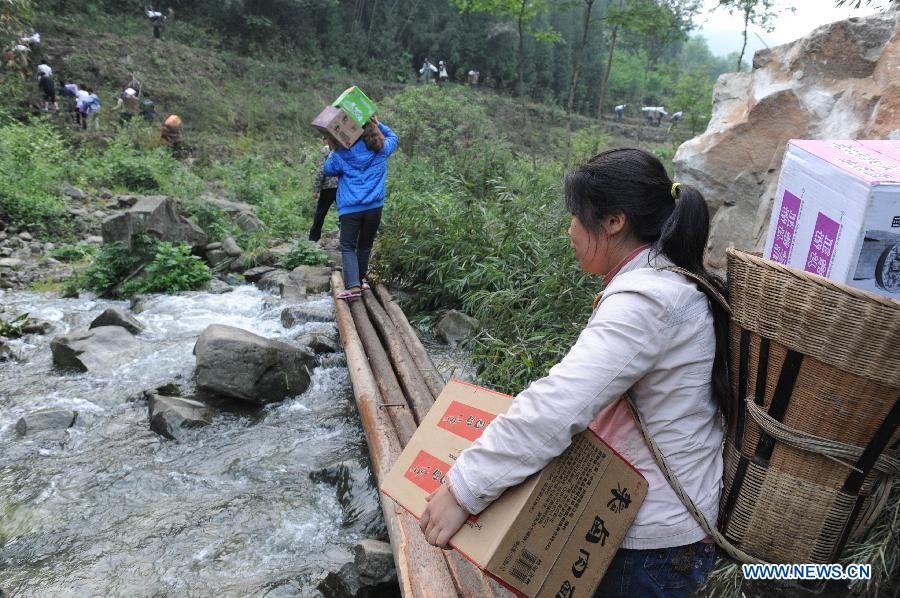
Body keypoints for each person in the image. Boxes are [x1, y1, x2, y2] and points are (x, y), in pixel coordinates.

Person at [419, 147, 728, 597]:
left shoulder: (646, 302)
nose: (569, 230)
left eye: (576, 217)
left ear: (613, 221)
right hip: (664, 529)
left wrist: (463, 489)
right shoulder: (669, 283)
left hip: (646, 548)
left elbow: (559, 405)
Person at [323, 115, 399, 300]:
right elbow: (394, 137)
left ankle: (353, 286)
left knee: (348, 246)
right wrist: (376, 122)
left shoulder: (341, 154)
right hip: (374, 207)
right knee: (365, 246)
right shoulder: (381, 149)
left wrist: (334, 147)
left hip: (351, 208)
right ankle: (359, 279)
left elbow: (327, 169)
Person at [309, 139, 339, 244]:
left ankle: (313, 238)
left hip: (328, 187)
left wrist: (316, 190)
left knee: (320, 213)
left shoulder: (324, 152)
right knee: (344, 212)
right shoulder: (340, 149)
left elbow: (321, 171)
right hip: (341, 187)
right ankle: (347, 236)